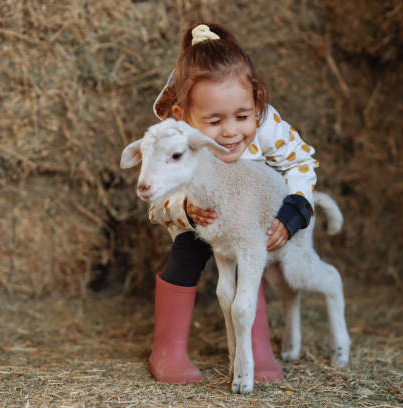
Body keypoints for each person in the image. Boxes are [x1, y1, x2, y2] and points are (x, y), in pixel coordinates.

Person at [147, 23, 318, 384]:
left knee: (248, 255)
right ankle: (169, 349)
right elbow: (156, 199)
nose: (230, 132)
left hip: (245, 219)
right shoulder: (173, 140)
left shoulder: (267, 125)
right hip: (203, 218)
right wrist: (185, 211)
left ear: (256, 102)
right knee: (186, 254)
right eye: (213, 120)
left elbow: (300, 164)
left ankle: (253, 347)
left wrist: (294, 211)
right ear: (183, 117)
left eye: (242, 116)